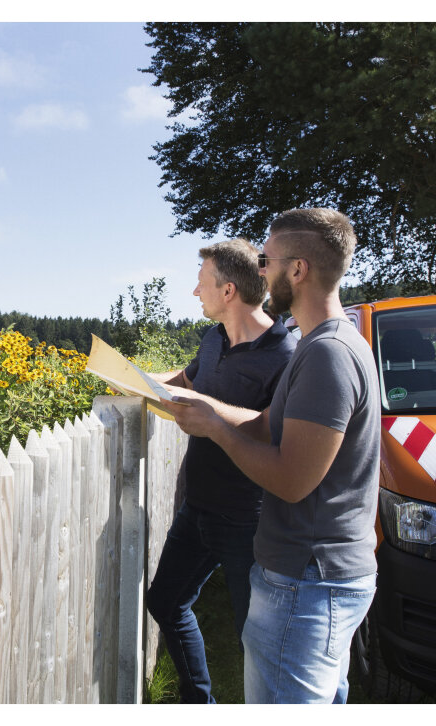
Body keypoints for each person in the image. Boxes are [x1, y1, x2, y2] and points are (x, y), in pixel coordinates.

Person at [160, 208, 380, 704]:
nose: (260, 271)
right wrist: (208, 407)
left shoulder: (326, 354)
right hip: (320, 577)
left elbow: (291, 479)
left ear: (297, 270)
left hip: (308, 580)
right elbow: (266, 424)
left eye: (267, 259)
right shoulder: (325, 342)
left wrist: (215, 428)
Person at [144, 238, 295, 703]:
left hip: (246, 517)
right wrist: (132, 380)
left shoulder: (285, 355)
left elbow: (274, 431)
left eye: (202, 282)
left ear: (228, 291)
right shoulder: (213, 340)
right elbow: (187, 382)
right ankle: (198, 702)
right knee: (165, 601)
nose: (195, 292)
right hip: (198, 505)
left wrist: (209, 413)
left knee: (255, 637)